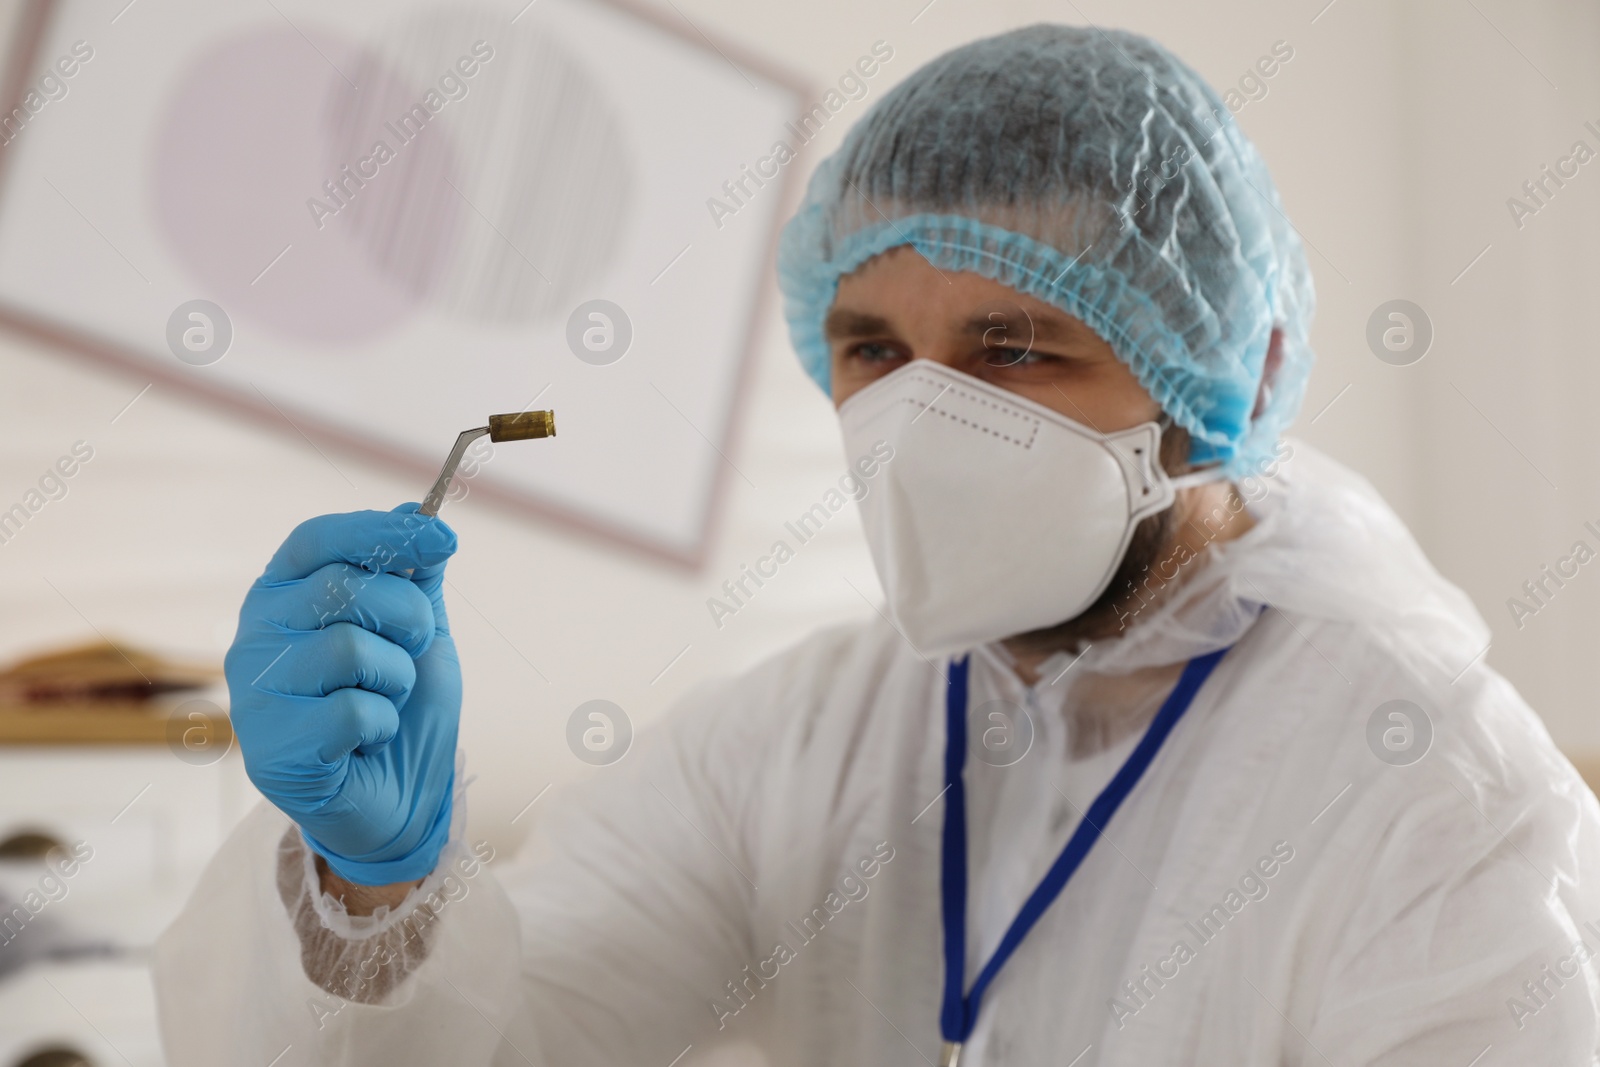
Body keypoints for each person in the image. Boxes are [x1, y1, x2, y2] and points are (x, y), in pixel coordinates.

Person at [153, 24, 1600, 1067]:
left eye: (1013, 346)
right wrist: (374, 896)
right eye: (871, 350)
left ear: (1221, 380)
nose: (921, 420)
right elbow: (533, 1038)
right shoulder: (802, 740)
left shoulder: (1435, 797)